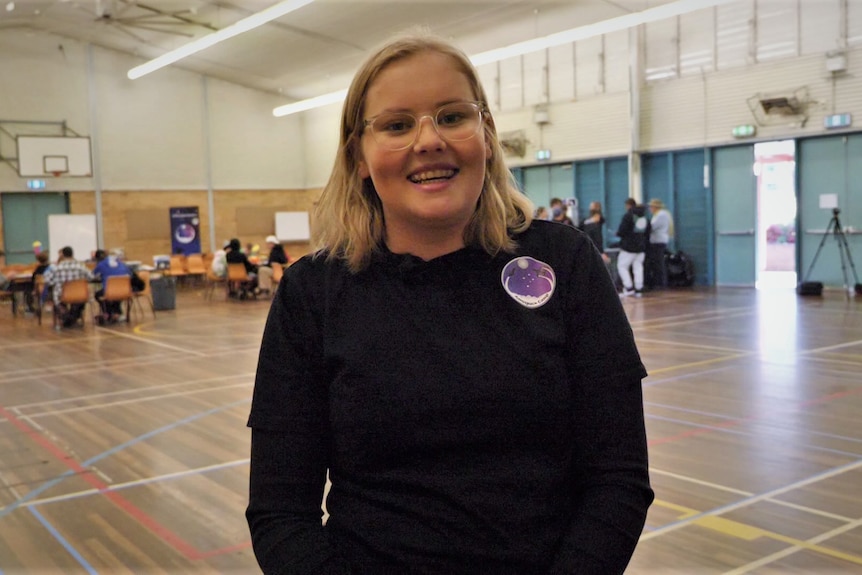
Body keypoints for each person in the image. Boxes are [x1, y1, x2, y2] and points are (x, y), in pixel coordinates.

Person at [246, 32, 653, 575]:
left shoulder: (566, 262)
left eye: (452, 116)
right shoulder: (311, 294)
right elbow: (280, 514)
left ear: (484, 135)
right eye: (396, 125)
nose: (429, 140)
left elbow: (618, 481)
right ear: (358, 157)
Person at [42, 246, 94, 327]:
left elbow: (47, 280)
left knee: (56, 298)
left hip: (62, 295)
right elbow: (91, 277)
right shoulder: (81, 267)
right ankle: (73, 317)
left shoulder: (57, 268)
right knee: (79, 301)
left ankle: (66, 316)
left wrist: (56, 282)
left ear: (62, 255)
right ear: (73, 254)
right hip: (79, 295)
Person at [616, 198, 650, 298]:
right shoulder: (645, 218)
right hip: (641, 248)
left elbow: (622, 231)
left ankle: (629, 287)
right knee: (638, 267)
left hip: (628, 247)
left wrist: (618, 234)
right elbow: (648, 232)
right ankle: (639, 288)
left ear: (629, 206)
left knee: (622, 266)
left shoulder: (628, 216)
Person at [93, 248, 133, 323]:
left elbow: (93, 275)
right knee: (116, 296)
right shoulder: (123, 265)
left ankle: (108, 313)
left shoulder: (101, 264)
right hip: (125, 292)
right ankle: (117, 313)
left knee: (98, 295)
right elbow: (130, 275)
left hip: (109, 292)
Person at [646, 198, 673, 290]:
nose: (650, 208)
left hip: (658, 241)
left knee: (658, 263)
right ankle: (659, 282)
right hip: (659, 241)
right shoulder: (661, 214)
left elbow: (652, 227)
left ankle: (660, 283)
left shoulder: (660, 215)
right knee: (658, 262)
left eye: (651, 207)